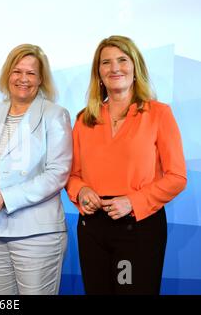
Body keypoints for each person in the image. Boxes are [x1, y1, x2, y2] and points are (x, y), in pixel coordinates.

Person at [66, 35, 187, 295]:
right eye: (106, 62)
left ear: (135, 67)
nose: (114, 68)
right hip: (92, 229)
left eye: (122, 60)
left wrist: (132, 201)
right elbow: (72, 176)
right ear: (98, 73)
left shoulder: (158, 114)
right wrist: (82, 191)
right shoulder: (84, 119)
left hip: (137, 228)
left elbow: (177, 176)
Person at [0, 44, 73, 295]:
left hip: (36, 234)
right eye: (17, 71)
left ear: (41, 79)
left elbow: (57, 173)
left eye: (31, 73)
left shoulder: (55, 115)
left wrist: (6, 198)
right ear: (7, 74)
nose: (23, 79)